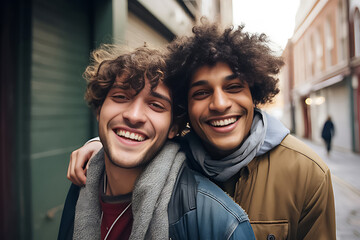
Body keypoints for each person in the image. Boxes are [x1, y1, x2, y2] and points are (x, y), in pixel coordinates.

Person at [68, 22, 336, 239]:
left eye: (233, 88)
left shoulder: (306, 172)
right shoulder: (170, 151)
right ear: (185, 110)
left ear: (254, 94)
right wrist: (101, 146)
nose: (219, 104)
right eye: (202, 92)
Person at [58, 45, 255, 240]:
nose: (134, 116)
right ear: (99, 110)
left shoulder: (221, 223)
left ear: (174, 128)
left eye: (155, 105)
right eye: (120, 97)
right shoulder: (82, 182)